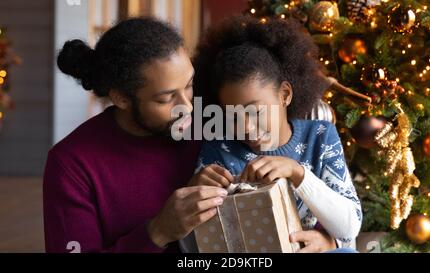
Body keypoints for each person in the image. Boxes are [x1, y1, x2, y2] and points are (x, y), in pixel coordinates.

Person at [43, 17, 227, 253]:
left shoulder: (209, 124)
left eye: (189, 85)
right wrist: (158, 231)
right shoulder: (71, 164)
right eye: (165, 98)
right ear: (121, 98)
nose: (187, 107)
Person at [186, 16, 362, 252]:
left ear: (285, 94)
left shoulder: (320, 136)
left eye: (256, 111)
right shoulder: (219, 149)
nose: (246, 127)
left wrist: (298, 174)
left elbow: (349, 228)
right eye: (233, 116)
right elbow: (192, 247)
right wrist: (194, 196)